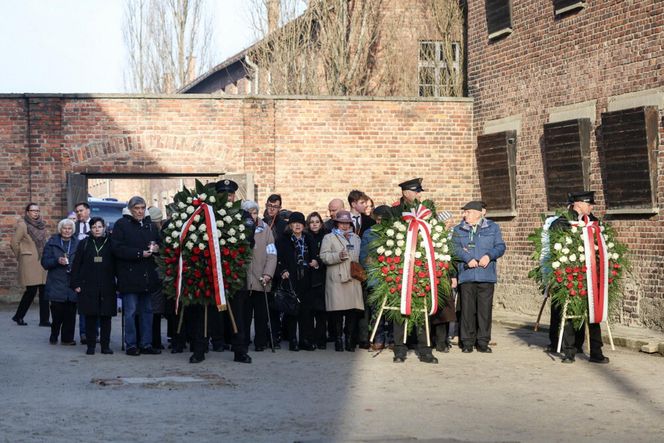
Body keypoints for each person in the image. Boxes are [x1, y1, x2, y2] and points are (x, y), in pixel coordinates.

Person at [549, 191, 610, 364]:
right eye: (589, 204)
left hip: (592, 275)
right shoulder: (563, 221)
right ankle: (570, 350)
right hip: (573, 275)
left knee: (594, 313)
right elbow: (556, 240)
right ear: (579, 204)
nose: (591, 207)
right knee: (571, 312)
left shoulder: (593, 221)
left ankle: (596, 351)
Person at [452, 200, 506, 354]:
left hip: (486, 274)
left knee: (484, 311)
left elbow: (500, 246)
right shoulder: (459, 229)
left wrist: (489, 256)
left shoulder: (493, 227)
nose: (464, 214)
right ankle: (467, 342)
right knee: (467, 310)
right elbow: (453, 248)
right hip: (467, 274)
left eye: (467, 212)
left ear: (476, 214)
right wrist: (467, 258)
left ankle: (482, 341)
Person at [111, 196, 161, 356]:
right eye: (136, 208)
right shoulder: (121, 224)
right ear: (130, 209)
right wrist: (139, 253)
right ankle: (131, 344)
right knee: (131, 312)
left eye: (142, 208)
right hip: (130, 276)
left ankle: (146, 343)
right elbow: (117, 249)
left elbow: (160, 243)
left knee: (147, 311)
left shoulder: (150, 226)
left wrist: (157, 248)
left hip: (148, 276)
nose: (139, 211)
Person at [70, 217, 116, 355]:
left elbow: (117, 264)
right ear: (90, 228)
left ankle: (105, 346)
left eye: (100, 227)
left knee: (106, 317)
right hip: (88, 285)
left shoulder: (111, 243)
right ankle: (91, 346)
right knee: (90, 317)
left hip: (107, 285)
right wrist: (75, 283)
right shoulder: (84, 243)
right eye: (94, 227)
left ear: (104, 228)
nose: (97, 229)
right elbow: (76, 265)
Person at [319, 210, 364, 352]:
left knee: (352, 311)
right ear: (337, 223)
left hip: (353, 278)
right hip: (337, 278)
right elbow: (324, 256)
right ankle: (338, 340)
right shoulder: (329, 237)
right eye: (341, 223)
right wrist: (338, 256)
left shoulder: (356, 238)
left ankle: (349, 340)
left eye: (347, 223)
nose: (344, 226)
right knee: (337, 311)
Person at [276, 212, 319, 351]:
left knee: (305, 312)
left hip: (306, 278)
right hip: (291, 279)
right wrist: (282, 270)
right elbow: (278, 258)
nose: (297, 225)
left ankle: (304, 340)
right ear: (290, 225)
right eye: (294, 223)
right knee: (292, 311)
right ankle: (292, 340)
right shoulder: (283, 240)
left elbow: (316, 257)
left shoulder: (309, 238)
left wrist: (315, 262)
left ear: (303, 225)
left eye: (300, 223)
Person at [240, 200, 277, 353]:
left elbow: (272, 254)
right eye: (249, 213)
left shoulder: (265, 229)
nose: (253, 216)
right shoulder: (239, 228)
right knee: (244, 315)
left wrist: (268, 273)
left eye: (255, 213)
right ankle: (243, 340)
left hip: (261, 278)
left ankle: (260, 341)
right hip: (244, 280)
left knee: (261, 315)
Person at [359, 205, 393, 350]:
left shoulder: (395, 233)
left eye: (383, 220)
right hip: (375, 277)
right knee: (376, 310)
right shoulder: (369, 233)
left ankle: (392, 338)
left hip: (392, 276)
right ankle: (378, 338)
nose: (379, 222)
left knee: (392, 310)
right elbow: (365, 258)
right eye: (377, 219)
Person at [41, 219, 79, 345]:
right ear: (60, 229)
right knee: (57, 314)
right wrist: (57, 261)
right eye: (64, 228)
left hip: (72, 283)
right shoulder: (52, 243)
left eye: (69, 228)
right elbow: (45, 263)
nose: (67, 231)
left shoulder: (78, 244)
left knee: (70, 313)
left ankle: (67, 339)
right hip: (56, 282)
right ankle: (54, 333)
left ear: (72, 230)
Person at [11, 203, 50, 327]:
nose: (36, 213)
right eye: (33, 210)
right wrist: (22, 256)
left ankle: (44, 320)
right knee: (31, 291)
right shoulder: (23, 225)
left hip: (42, 262)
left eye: (37, 210)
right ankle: (19, 316)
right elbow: (14, 243)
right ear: (27, 212)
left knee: (44, 291)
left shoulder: (42, 225)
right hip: (29, 262)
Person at [348, 190, 376, 349]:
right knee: (350, 304)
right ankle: (350, 337)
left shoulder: (369, 222)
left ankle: (364, 337)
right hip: (348, 267)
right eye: (362, 203)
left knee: (364, 304)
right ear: (353, 204)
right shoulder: (342, 220)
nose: (365, 205)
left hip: (364, 269)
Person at [263, 193, 288, 345]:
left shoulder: (283, 225)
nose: (272, 209)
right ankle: (265, 335)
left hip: (277, 268)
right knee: (263, 305)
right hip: (263, 266)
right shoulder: (261, 222)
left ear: (279, 208)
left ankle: (275, 335)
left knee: (275, 304)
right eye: (270, 206)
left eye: (275, 207)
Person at [306, 211, 328, 349]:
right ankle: (311, 337)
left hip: (322, 276)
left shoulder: (326, 236)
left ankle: (321, 338)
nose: (314, 224)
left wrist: (318, 261)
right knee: (310, 311)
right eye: (312, 222)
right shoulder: (305, 236)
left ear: (321, 223)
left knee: (321, 311)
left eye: (317, 222)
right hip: (308, 277)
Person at [73, 201, 94, 344]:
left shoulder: (96, 225)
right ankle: (83, 333)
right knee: (83, 304)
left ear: (88, 211)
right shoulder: (73, 227)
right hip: (79, 267)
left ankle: (95, 333)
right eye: (77, 211)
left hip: (94, 266)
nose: (79, 213)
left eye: (81, 210)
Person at [147, 206, 166, 350]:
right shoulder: (159, 234)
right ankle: (155, 341)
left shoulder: (155, 234)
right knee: (155, 311)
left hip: (155, 276)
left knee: (152, 311)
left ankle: (154, 341)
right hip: (157, 276)